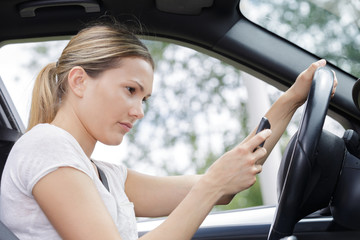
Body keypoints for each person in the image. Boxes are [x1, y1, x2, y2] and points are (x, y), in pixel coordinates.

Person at [0, 20, 337, 240]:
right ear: (79, 81)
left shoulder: (106, 176)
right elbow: (211, 187)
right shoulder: (46, 145)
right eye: (130, 90)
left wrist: (290, 100)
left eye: (144, 98)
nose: (139, 111)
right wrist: (211, 186)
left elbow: (222, 189)